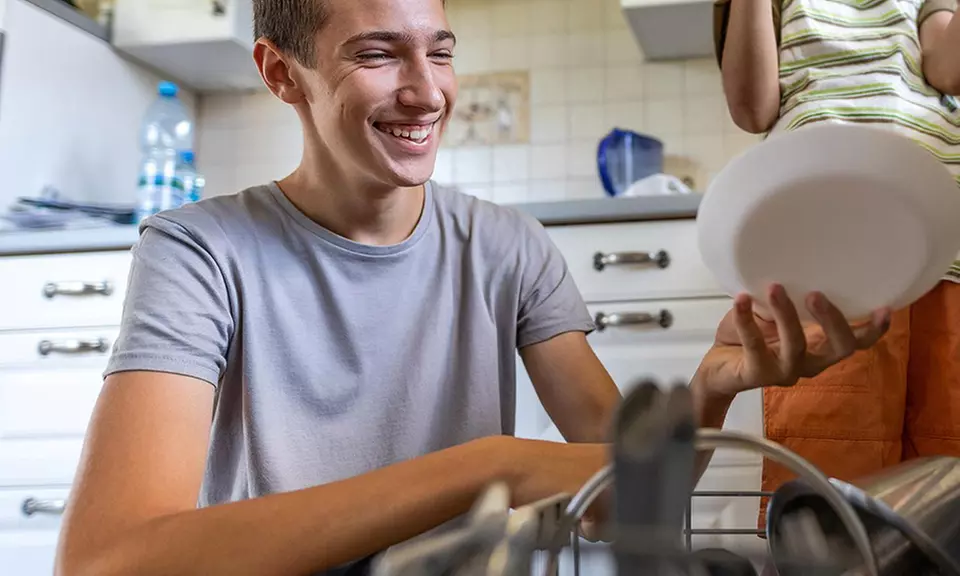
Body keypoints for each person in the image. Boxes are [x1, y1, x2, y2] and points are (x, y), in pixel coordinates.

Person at [55, 0, 891, 574]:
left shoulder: (507, 247)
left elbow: (620, 499)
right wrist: (482, 469)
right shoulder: (201, 250)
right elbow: (111, 560)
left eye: (441, 50)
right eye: (378, 53)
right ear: (281, 74)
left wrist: (709, 394)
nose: (426, 90)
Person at [714, 0, 960, 523]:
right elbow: (753, 109)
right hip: (826, 243)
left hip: (940, 239)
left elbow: (949, 70)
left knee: (947, 460)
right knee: (835, 455)